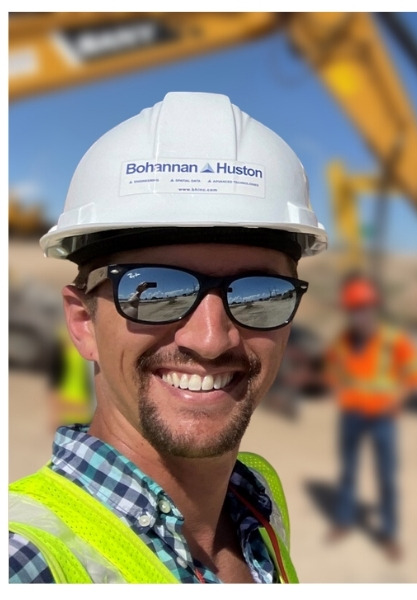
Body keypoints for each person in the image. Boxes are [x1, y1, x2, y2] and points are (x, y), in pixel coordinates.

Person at [10, 91, 322, 583]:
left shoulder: (255, 499)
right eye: (154, 291)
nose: (212, 339)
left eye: (258, 294)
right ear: (83, 322)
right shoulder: (28, 563)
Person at [324, 275, 417, 562]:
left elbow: (416, 373)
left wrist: (397, 398)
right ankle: (343, 523)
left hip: (383, 418)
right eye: (354, 309)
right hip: (351, 415)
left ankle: (389, 534)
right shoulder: (343, 340)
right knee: (348, 472)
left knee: (386, 477)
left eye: (364, 308)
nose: (360, 314)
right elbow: (331, 370)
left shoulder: (393, 339)